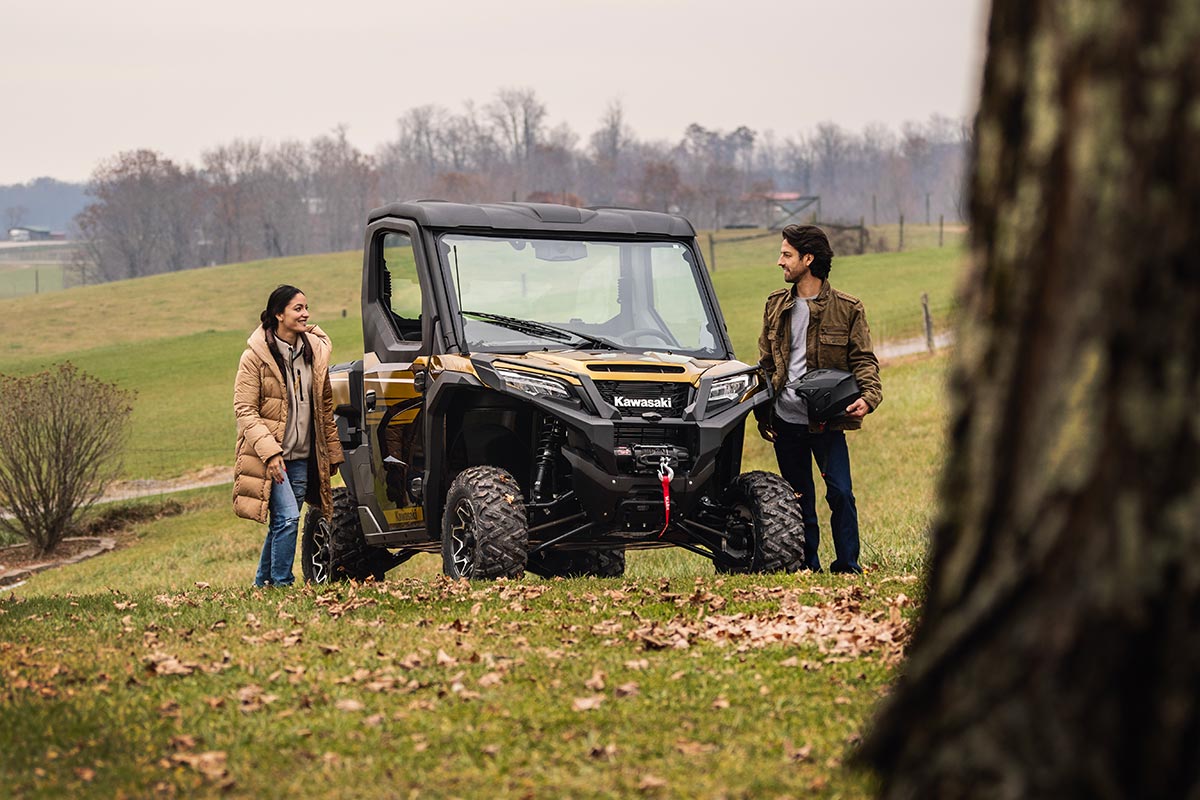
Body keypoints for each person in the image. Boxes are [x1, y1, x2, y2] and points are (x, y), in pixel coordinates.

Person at [755, 225, 882, 573]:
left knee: (841, 493)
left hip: (826, 422)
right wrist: (761, 413)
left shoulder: (848, 308)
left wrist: (869, 397)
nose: (780, 261)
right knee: (798, 498)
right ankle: (807, 566)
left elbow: (864, 361)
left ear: (808, 259)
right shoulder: (775, 306)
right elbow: (765, 363)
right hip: (785, 421)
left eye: (787, 254)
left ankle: (847, 566)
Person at [233, 285, 344, 586]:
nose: (305, 314)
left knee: (283, 522)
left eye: (306, 307)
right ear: (278, 314)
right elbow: (244, 410)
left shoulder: (314, 353)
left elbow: (324, 408)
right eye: (298, 308)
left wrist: (332, 453)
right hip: (271, 455)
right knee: (289, 518)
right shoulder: (255, 357)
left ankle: (263, 584)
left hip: (302, 456)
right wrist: (271, 453)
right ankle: (282, 583)